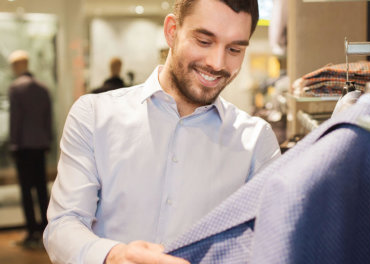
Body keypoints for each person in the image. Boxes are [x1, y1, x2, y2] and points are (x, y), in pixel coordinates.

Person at [44, 0, 280, 263]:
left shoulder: (257, 141)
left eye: (234, 49)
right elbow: (63, 224)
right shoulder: (93, 115)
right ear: (171, 31)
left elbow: (269, 243)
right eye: (204, 41)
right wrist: (114, 256)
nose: (217, 62)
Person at [7, 50, 53, 249]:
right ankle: (45, 227)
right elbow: (48, 119)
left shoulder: (16, 88)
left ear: (17, 65)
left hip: (24, 146)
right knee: (42, 189)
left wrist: (13, 143)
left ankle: (31, 231)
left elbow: (15, 120)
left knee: (26, 190)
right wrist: (47, 140)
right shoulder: (43, 89)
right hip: (40, 144)